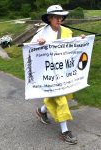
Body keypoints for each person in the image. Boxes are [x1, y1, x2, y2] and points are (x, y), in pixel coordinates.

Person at [31, 5, 79, 145]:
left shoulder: (67, 31)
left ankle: (41, 111)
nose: (59, 19)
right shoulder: (42, 32)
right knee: (61, 100)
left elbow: (72, 47)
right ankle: (65, 131)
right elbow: (30, 48)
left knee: (62, 96)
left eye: (61, 17)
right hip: (49, 72)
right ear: (49, 18)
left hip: (63, 70)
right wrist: (38, 43)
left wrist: (81, 40)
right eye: (56, 17)